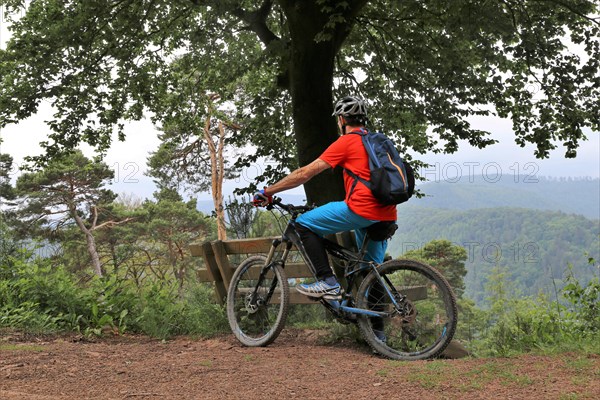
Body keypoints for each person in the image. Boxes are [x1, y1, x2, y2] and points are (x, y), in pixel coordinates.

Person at [253, 96, 397, 300]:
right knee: (371, 273)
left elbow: (304, 173)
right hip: (388, 212)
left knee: (303, 224)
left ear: (341, 120)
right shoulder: (380, 142)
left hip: (361, 210)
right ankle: (377, 332)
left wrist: (268, 191)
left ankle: (328, 282)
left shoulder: (347, 142)